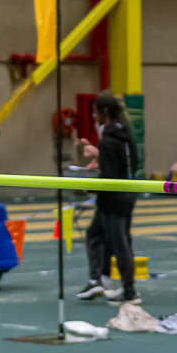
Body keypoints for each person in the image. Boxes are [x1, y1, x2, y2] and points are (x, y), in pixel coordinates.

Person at [77, 93, 141, 305]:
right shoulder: (126, 135)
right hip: (128, 194)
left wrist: (89, 186)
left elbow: (109, 176)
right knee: (95, 235)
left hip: (113, 200)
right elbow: (130, 164)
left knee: (119, 243)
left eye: (95, 111)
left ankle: (129, 290)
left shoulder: (108, 139)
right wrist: (101, 161)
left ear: (104, 111)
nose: (93, 116)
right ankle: (97, 280)